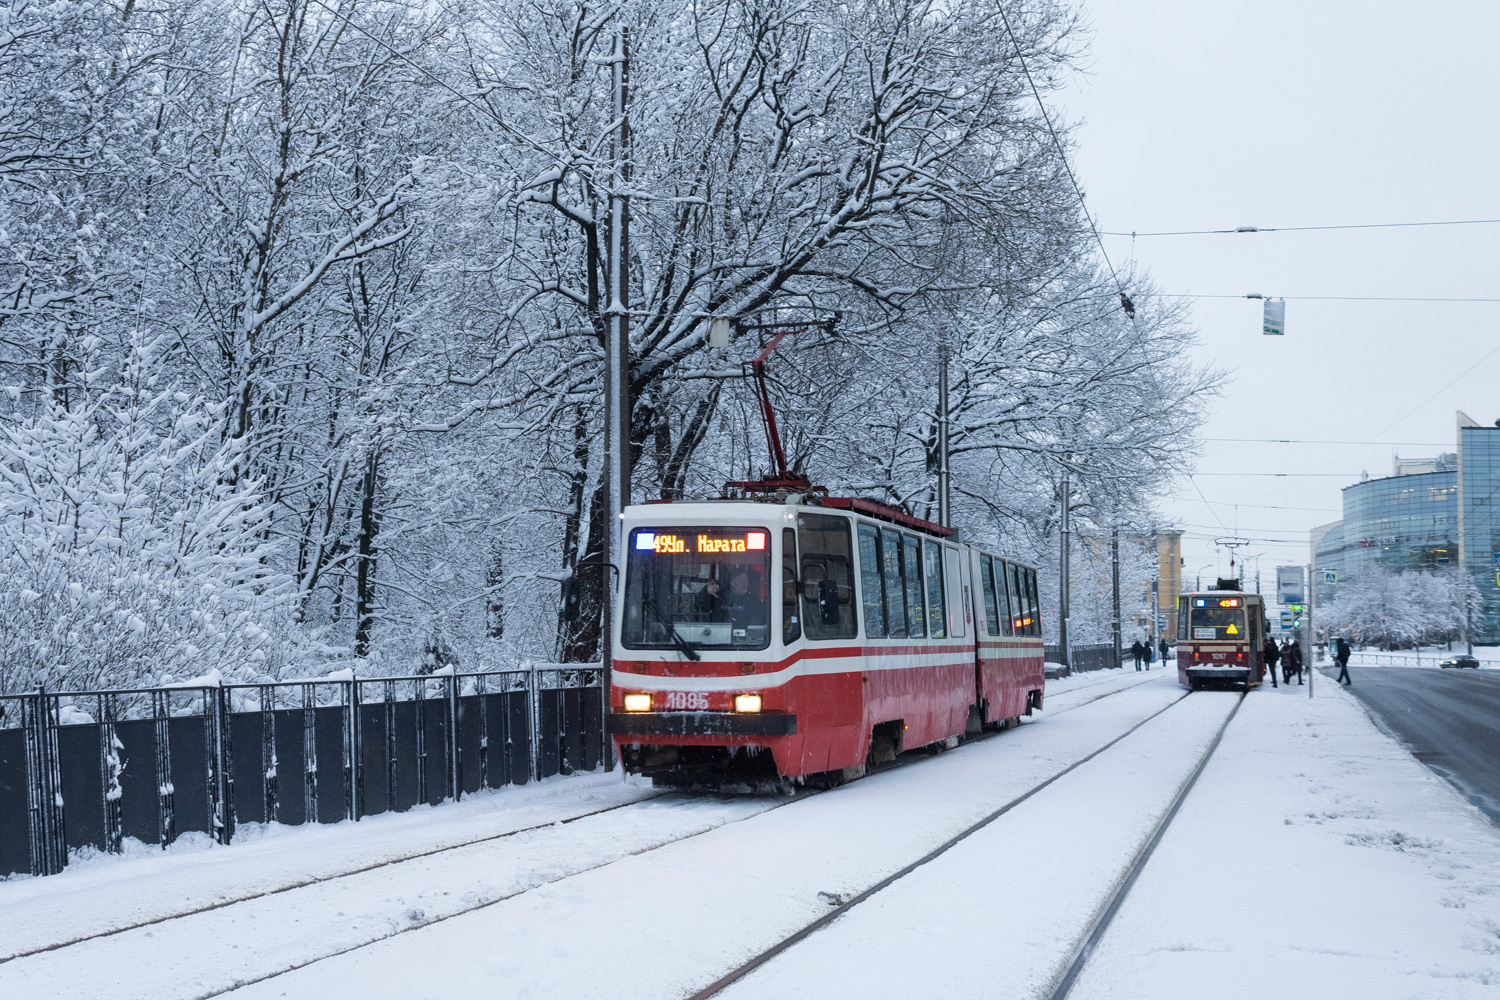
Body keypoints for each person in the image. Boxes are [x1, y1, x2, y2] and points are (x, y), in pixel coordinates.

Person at [701, 566, 766, 629]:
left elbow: (759, 616)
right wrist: (706, 591)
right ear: (732, 582)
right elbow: (701, 607)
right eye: (740, 580)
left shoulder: (752, 600)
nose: (744, 583)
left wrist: (750, 630)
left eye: (746, 579)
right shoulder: (720, 596)